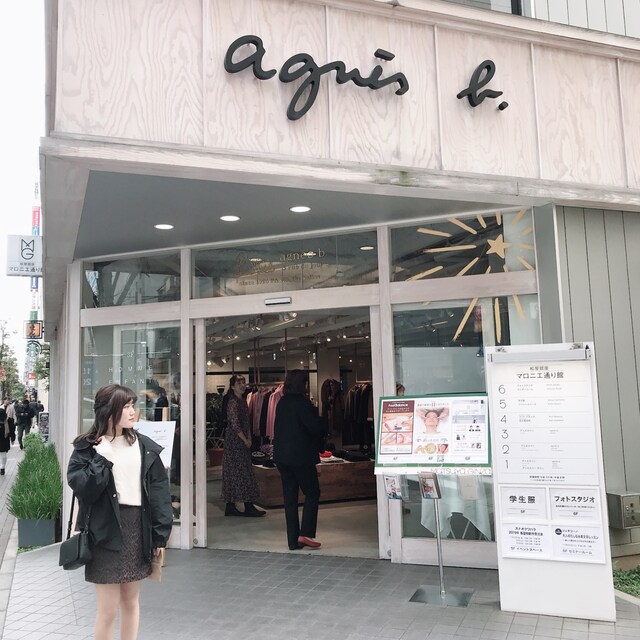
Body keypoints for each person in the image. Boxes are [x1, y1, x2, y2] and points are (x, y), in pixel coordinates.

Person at [67, 384, 173, 640]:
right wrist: (101, 459)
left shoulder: (144, 446)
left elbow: (159, 493)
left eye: (132, 405)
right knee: (107, 609)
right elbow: (85, 489)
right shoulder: (87, 448)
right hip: (103, 531)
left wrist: (159, 535)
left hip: (136, 528)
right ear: (108, 411)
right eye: (125, 407)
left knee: (131, 601)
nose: (133, 411)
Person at [273, 369, 326, 551]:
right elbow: (314, 428)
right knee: (312, 492)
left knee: (290, 498)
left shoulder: (282, 402)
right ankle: (306, 533)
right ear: (301, 384)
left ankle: (292, 540)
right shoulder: (302, 404)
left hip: (282, 457)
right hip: (301, 456)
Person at [221, 375, 265, 517]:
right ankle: (245, 505)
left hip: (242, 440)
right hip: (235, 442)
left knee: (241, 471)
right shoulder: (233, 402)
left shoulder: (242, 401)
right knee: (238, 472)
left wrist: (249, 437)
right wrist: (245, 439)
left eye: (243, 382)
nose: (242, 385)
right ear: (232, 386)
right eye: (238, 383)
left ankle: (235, 505)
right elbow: (234, 423)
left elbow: (246, 423)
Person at [0, 403, 9, 475]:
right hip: (4, 440)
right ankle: (2, 468)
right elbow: (11, 430)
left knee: (3, 454)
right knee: (3, 454)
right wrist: (12, 438)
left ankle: (2, 467)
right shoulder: (7, 421)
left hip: (3, 440)